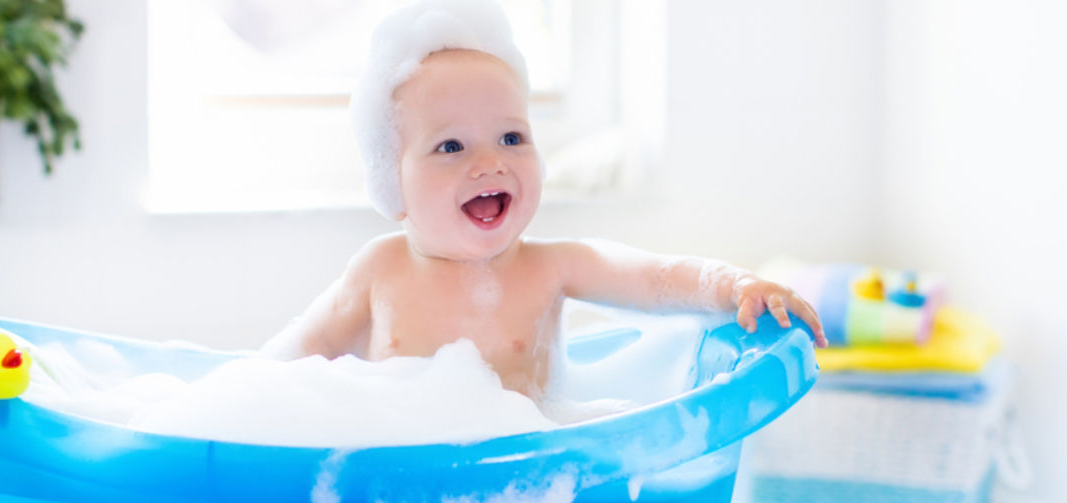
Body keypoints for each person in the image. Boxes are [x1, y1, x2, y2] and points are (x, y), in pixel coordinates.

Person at [263, 0, 827, 405]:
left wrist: (733, 284)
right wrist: (241, 409)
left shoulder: (550, 267)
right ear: (392, 181)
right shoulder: (379, 270)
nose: (490, 162)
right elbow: (293, 363)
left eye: (511, 137)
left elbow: (655, 280)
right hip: (400, 495)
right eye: (451, 146)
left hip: (533, 489)